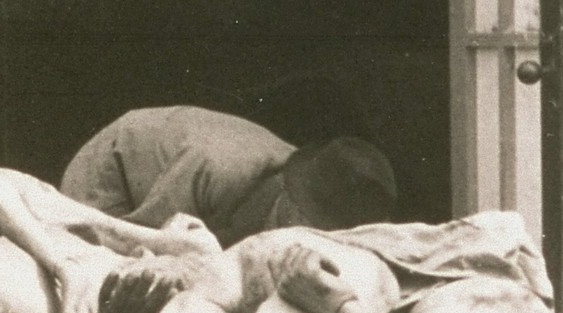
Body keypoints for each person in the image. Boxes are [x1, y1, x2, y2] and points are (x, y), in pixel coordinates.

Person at [60, 105, 396, 246]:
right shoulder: (214, 166)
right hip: (114, 167)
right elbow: (147, 235)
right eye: (315, 223)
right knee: (118, 264)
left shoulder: (312, 175)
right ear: (297, 202)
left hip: (198, 176)